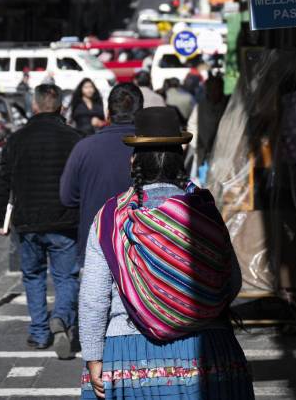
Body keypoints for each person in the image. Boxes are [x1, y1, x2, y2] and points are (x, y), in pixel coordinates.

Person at [79, 107, 254, 399]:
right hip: (207, 350)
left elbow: (93, 299)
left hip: (130, 354)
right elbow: (232, 281)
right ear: (180, 161)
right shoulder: (204, 211)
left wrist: (94, 356)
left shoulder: (111, 217)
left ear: (134, 161)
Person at [0, 84, 83, 358]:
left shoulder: (17, 139)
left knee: (33, 276)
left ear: (34, 106)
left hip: (27, 220)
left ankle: (40, 333)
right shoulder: (74, 138)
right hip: (65, 219)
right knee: (66, 276)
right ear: (61, 108)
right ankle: (62, 318)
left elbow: (1, 180)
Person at [59, 83, 143, 265]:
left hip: (96, 245)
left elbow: (67, 197)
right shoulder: (153, 149)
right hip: (139, 247)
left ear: (107, 113)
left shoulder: (84, 148)